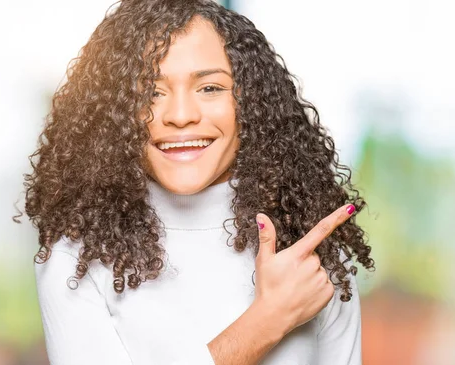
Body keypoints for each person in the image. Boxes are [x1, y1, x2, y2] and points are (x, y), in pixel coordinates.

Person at [23, 0, 375, 364]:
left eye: (209, 88)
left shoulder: (309, 249)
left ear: (250, 101)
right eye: (151, 92)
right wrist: (267, 321)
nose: (181, 116)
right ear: (114, 112)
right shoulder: (75, 257)